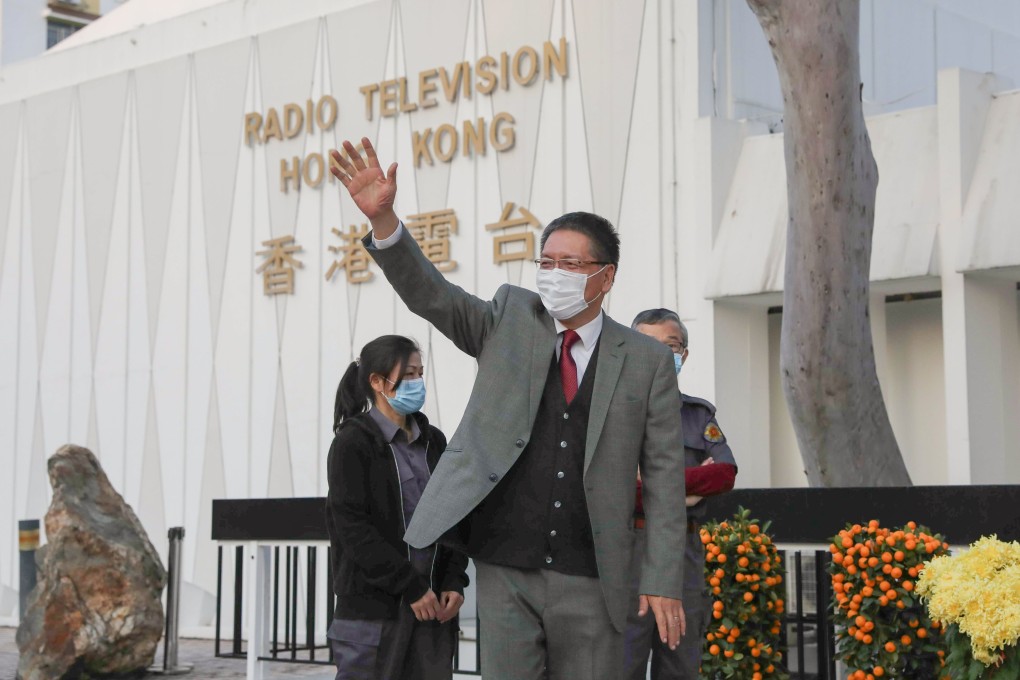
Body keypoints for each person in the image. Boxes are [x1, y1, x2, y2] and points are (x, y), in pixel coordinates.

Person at [330, 138, 688, 680]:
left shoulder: (646, 361)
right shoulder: (509, 318)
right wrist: (384, 222)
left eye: (571, 263)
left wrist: (661, 577)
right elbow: (433, 295)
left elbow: (663, 477)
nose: (554, 273)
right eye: (547, 261)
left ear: (606, 277)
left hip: (594, 574)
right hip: (504, 568)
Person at [324, 334, 468, 680]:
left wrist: (453, 580)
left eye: (420, 373)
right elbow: (353, 529)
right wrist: (410, 586)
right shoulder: (353, 443)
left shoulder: (434, 441)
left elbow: (452, 516)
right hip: (375, 615)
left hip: (432, 611)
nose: (417, 382)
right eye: (407, 375)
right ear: (377, 382)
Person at [624, 308, 738, 679]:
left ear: (683, 355)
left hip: (683, 552)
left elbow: (723, 473)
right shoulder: (614, 413)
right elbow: (615, 489)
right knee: (623, 660)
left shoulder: (697, 414)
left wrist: (651, 483)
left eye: (670, 346)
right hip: (629, 550)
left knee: (681, 661)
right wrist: (687, 489)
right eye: (647, 344)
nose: (660, 354)